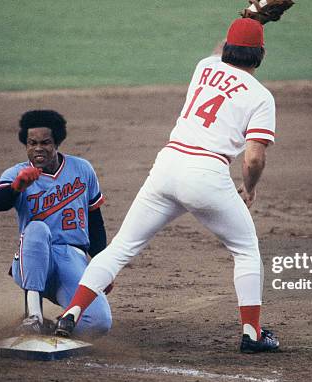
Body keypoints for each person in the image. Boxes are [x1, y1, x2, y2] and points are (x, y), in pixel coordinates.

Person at [56, 18, 279, 353]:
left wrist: (251, 16)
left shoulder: (205, 67)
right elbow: (253, 159)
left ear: (229, 48)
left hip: (167, 167)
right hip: (206, 176)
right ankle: (252, 333)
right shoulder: (261, 97)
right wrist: (251, 188)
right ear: (262, 53)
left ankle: (72, 311)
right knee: (246, 250)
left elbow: (221, 52)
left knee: (121, 247)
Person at [0, 110, 112, 335]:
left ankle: (53, 324)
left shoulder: (82, 169)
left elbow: (95, 222)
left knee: (98, 323)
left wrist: (102, 267)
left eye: (45, 142)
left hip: (71, 258)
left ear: (57, 142)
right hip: (34, 259)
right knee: (37, 229)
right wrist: (16, 187)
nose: (38, 148)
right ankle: (33, 316)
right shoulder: (16, 173)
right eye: (32, 143)